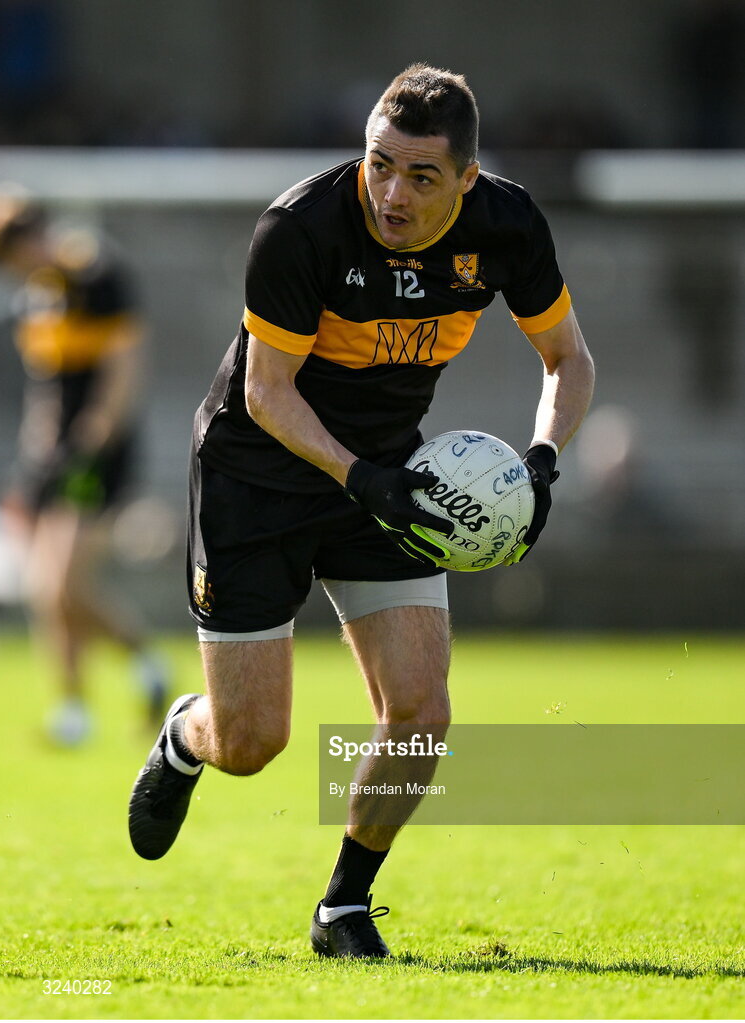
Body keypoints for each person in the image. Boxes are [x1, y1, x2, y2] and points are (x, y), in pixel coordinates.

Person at [128, 64, 595, 958]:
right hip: (257, 476)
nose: (391, 192)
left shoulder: (506, 226)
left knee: (421, 714)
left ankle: (343, 906)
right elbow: (266, 393)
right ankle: (190, 735)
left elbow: (566, 359)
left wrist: (540, 464)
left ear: (466, 178)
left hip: (384, 480)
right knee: (252, 741)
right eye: (379, 164)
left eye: (421, 176)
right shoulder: (301, 226)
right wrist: (360, 477)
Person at [0, 188, 169, 745]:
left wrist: (91, 443)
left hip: (98, 449)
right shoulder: (36, 296)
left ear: (30, 239)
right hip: (49, 453)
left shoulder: (96, 274)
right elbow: (46, 390)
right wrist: (31, 463)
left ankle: (135, 669)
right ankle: (87, 703)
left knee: (62, 580)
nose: (11, 271)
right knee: (49, 589)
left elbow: (124, 371)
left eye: (10, 257)